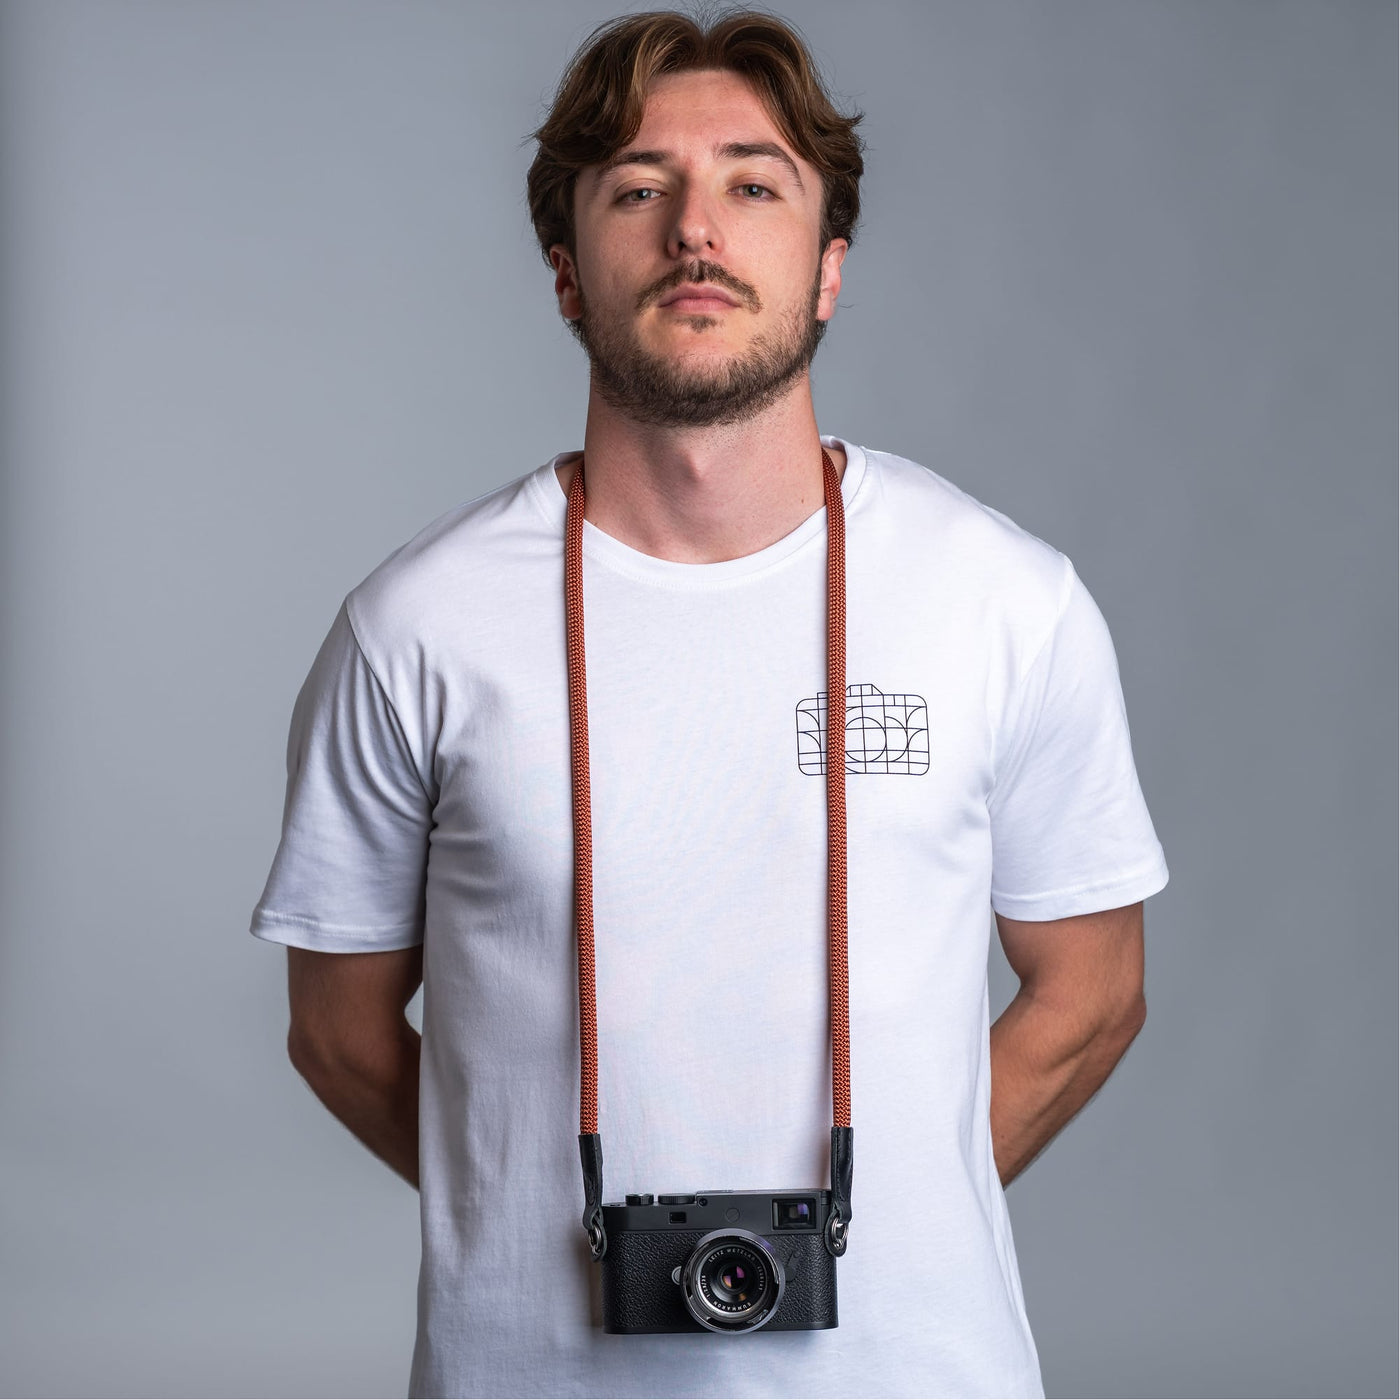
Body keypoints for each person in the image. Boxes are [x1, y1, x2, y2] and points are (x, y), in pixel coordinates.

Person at [248, 8, 1169, 1397]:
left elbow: (1093, 997)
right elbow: (336, 1030)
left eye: (754, 183)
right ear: (565, 273)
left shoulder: (1005, 602)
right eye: (636, 188)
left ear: (829, 268)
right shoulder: (417, 628)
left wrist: (903, 1207)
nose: (696, 230)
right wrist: (525, 1203)